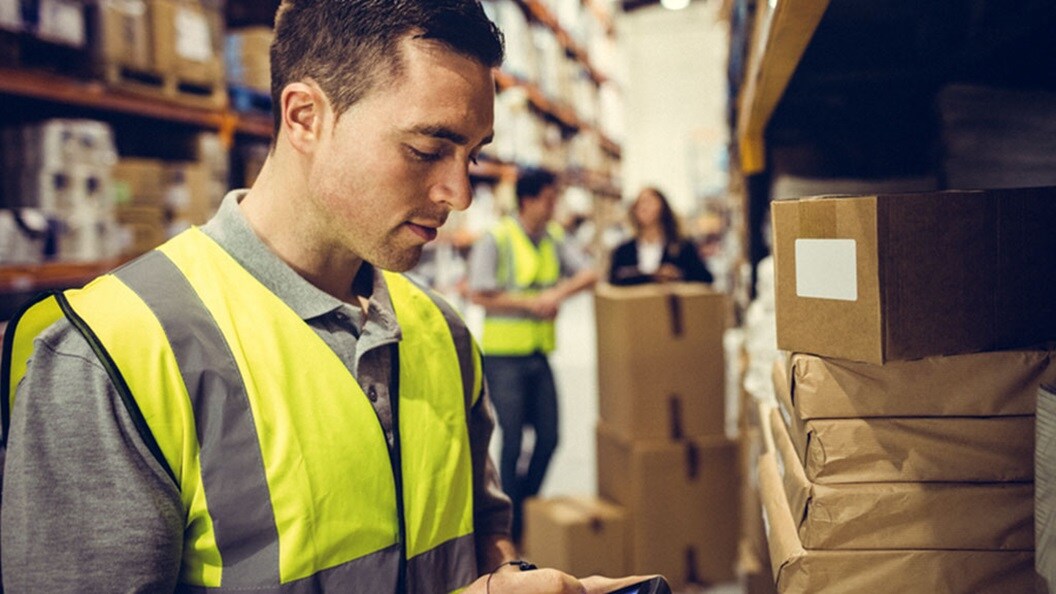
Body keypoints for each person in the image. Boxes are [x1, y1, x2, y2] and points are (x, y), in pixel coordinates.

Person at [0, 2, 643, 592]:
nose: (459, 192)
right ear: (305, 116)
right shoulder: (111, 356)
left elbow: (479, 529)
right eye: (426, 149)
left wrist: (508, 575)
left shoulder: (440, 332)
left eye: (471, 156)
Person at [467, 168, 598, 544]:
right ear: (528, 200)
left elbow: (589, 273)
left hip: (539, 355)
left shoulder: (552, 237)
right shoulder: (497, 238)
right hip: (503, 356)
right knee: (511, 441)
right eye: (549, 197)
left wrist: (556, 295)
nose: (555, 204)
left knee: (550, 436)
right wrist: (531, 304)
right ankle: (510, 528)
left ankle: (522, 507)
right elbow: (479, 293)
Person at [608, 187, 713, 286]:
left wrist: (678, 275)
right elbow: (613, 280)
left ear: (663, 207)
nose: (644, 207)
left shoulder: (682, 247)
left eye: (649, 202)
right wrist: (650, 277)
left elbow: (705, 279)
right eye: (639, 203)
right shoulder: (624, 250)